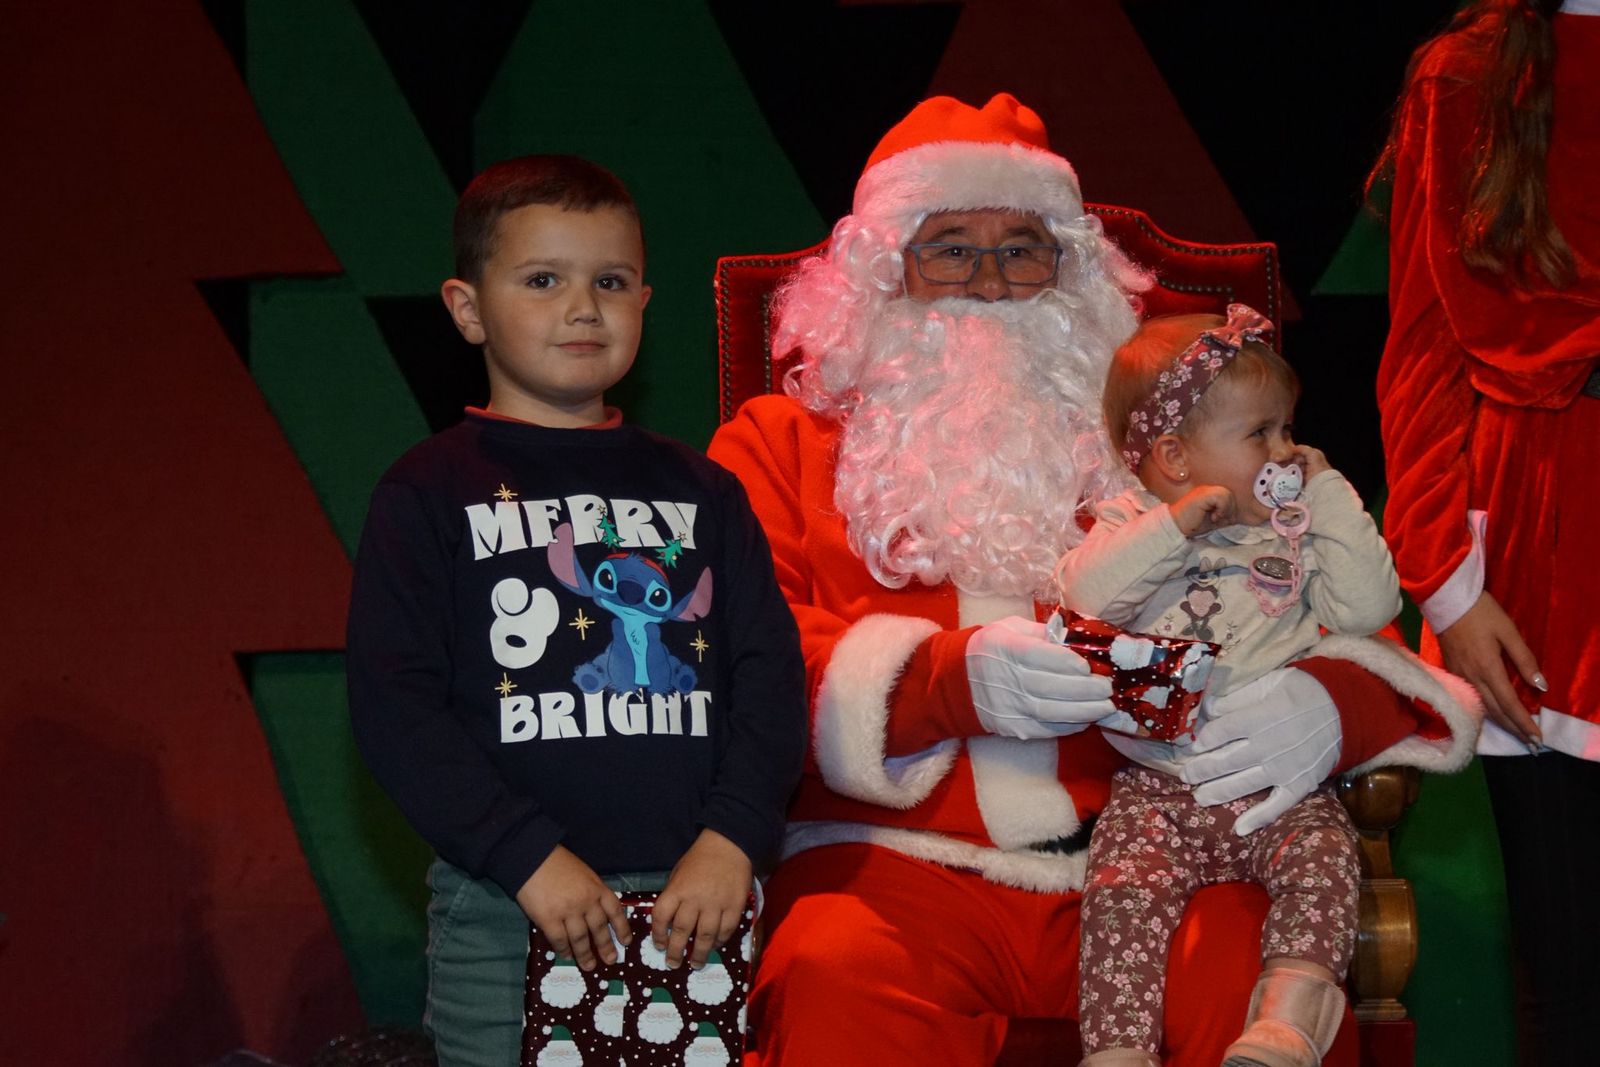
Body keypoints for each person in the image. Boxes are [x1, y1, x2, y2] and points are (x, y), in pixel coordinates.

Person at [707, 93, 1479, 1067]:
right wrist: (945, 681)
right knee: (833, 979)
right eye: (950, 249)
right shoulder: (777, 445)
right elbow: (735, 662)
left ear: (1070, 271)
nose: (991, 283)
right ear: (881, 271)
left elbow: (1347, 611)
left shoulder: (1170, 444)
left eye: (1023, 249)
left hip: (1169, 848)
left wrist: (1329, 703)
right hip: (896, 869)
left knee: (1253, 990)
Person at [346, 155, 807, 1067]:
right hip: (505, 903)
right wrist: (523, 854)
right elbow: (396, 706)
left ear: (645, 299)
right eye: (542, 280)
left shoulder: (705, 491)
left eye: (611, 281)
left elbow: (770, 679)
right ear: (467, 308)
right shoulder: (427, 491)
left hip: (694, 900)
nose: (584, 307)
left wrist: (732, 839)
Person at [1058, 310, 1452, 1067]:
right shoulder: (1131, 520)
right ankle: (1117, 1049)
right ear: (1174, 457)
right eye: (1262, 433)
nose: (1285, 452)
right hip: (1158, 788)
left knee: (1326, 865)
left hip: (1278, 782)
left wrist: (1330, 491)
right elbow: (1087, 597)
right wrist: (1174, 526)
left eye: (1287, 428)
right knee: (1120, 893)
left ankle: (1287, 1021)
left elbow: (1367, 609)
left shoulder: (1296, 530)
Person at [1372, 1, 1600, 1060]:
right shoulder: (1468, 72)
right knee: (1576, 975)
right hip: (1547, 548)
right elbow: (1423, 346)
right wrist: (1448, 582)